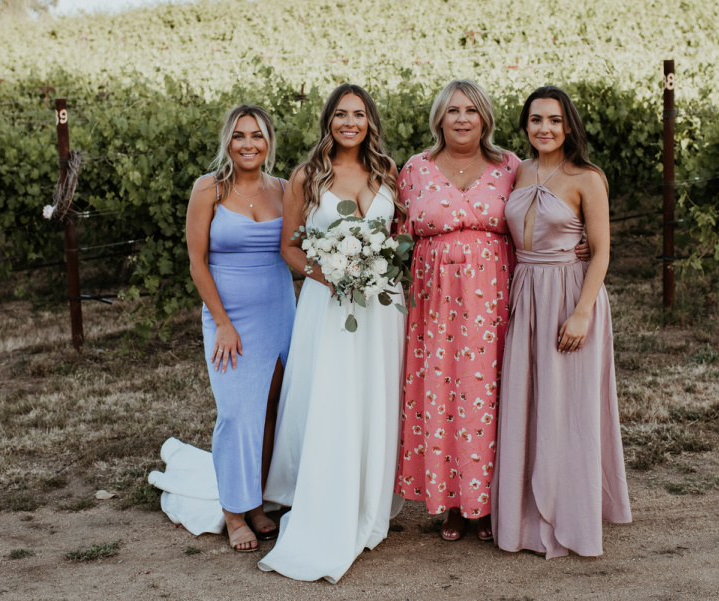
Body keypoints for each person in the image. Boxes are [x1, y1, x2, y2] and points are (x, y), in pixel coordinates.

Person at [258, 84, 406, 583]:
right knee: (331, 393)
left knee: (373, 392)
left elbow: (398, 236)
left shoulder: (387, 171)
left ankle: (369, 494)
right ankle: (322, 492)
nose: (349, 122)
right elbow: (290, 248)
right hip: (329, 299)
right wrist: (330, 273)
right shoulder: (306, 176)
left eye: (358, 114)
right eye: (340, 114)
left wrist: (375, 264)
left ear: (369, 121)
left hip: (381, 304)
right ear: (328, 121)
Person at [491, 86, 632, 558]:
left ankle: (571, 512)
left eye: (553, 120)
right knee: (528, 401)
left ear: (568, 124)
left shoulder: (587, 178)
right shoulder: (517, 170)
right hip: (526, 293)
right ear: (525, 125)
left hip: (570, 294)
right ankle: (523, 516)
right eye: (535, 120)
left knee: (568, 407)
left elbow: (602, 250)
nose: (544, 129)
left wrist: (582, 312)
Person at [393, 79, 519, 542]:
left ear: (484, 116)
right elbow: (393, 233)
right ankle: (448, 501)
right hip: (434, 304)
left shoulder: (510, 166)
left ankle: (483, 503)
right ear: (439, 119)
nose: (462, 119)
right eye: (452, 111)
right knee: (442, 397)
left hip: (492, 302)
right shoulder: (415, 169)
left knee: (485, 397)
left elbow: (536, 217)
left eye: (470, 109)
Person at [185, 105, 295, 552]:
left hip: (279, 310)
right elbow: (197, 261)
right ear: (227, 142)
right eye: (239, 136)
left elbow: (298, 250)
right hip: (227, 316)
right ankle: (233, 512)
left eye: (257, 136)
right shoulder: (208, 188)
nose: (248, 144)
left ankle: (256, 503)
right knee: (235, 413)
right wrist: (224, 324)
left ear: (269, 141)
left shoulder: (285, 189)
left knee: (270, 409)